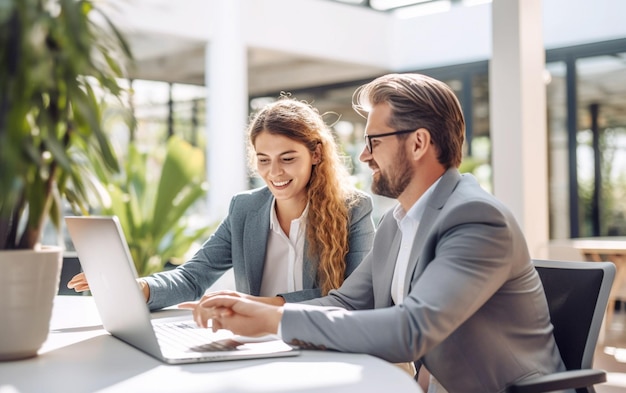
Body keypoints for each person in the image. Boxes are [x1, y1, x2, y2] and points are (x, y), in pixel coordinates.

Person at [182, 73, 566, 393]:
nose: (364, 156)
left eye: (374, 141)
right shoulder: (399, 221)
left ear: (418, 143)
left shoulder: (475, 218)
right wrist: (254, 307)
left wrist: (273, 322)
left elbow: (411, 330)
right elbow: (347, 303)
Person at [68, 96, 376, 310]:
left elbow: (356, 298)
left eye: (288, 158)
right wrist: (140, 287)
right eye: (264, 160)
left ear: (317, 155)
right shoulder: (245, 210)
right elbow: (192, 276)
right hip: (257, 346)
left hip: (324, 347)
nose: (274, 172)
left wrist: (256, 306)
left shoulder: (354, 210)